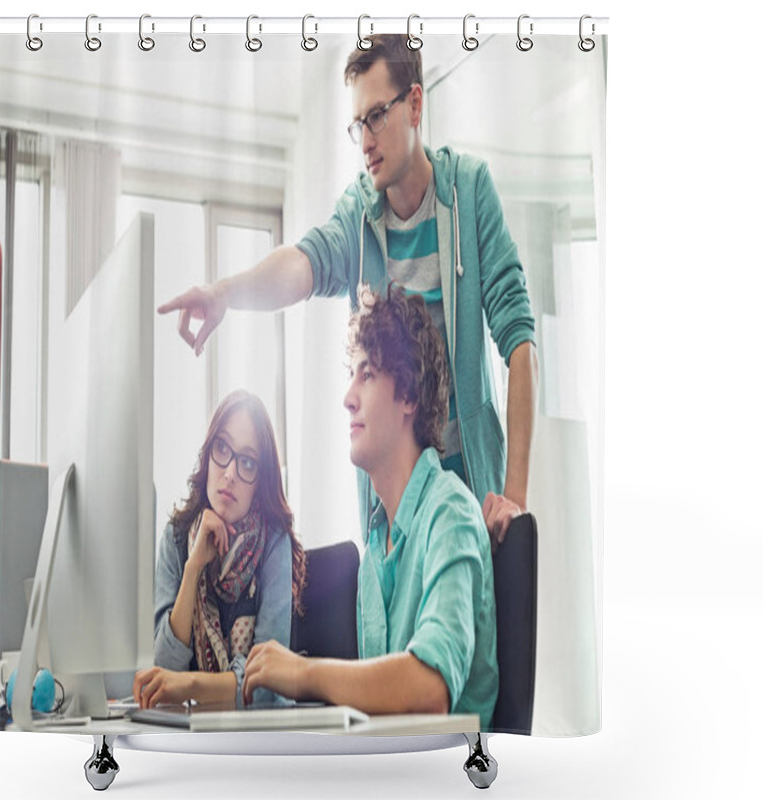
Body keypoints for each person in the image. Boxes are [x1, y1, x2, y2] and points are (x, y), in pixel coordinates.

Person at [158, 35, 538, 547]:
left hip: (473, 491)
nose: (366, 140)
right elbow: (301, 264)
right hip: (394, 508)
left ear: (416, 104)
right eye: (358, 124)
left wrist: (514, 497)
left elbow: (519, 341)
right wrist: (227, 292)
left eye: (377, 115)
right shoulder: (358, 216)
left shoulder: (468, 191)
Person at [242, 286, 498, 730]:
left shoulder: (451, 513)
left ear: (409, 397)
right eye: (352, 374)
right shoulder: (375, 550)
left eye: (367, 374)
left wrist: (303, 674)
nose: (347, 396)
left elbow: (430, 690)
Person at [133, 390, 306, 709]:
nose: (229, 473)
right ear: (208, 452)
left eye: (248, 462)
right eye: (222, 448)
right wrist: (193, 567)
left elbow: (267, 682)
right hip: (196, 731)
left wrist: (190, 685)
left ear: (261, 479)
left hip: (263, 735)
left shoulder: (273, 543)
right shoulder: (176, 537)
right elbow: (164, 668)